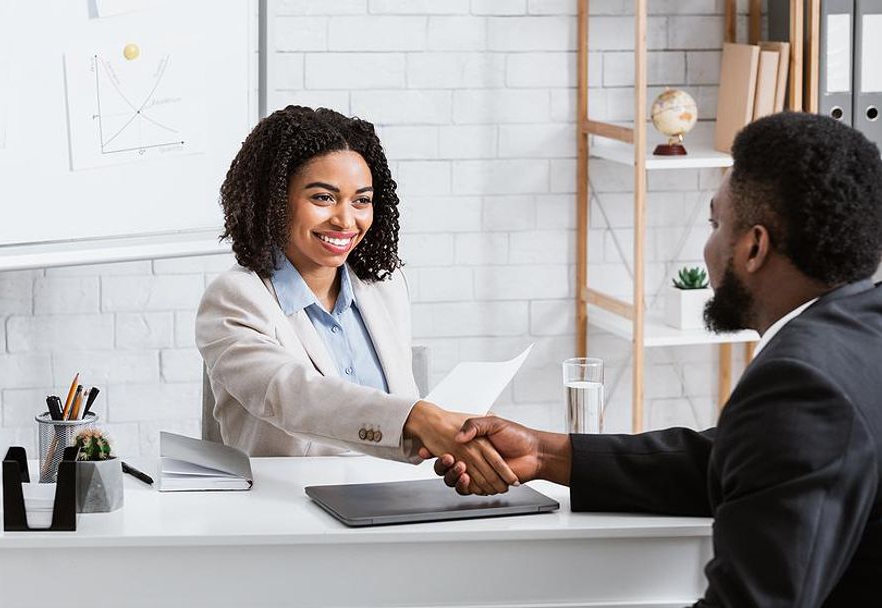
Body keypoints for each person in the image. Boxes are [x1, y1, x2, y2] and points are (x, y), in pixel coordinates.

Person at [426, 112, 882, 607]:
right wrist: (546, 453)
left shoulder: (801, 382)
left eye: (715, 224)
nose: (706, 247)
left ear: (753, 247)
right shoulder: (862, 333)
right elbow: (746, 462)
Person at [196, 105, 516, 494]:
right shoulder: (235, 299)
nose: (347, 221)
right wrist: (418, 418)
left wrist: (456, 438)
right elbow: (293, 395)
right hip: (288, 516)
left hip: (395, 499)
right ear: (274, 201)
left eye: (361, 200)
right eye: (323, 198)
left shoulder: (384, 286)